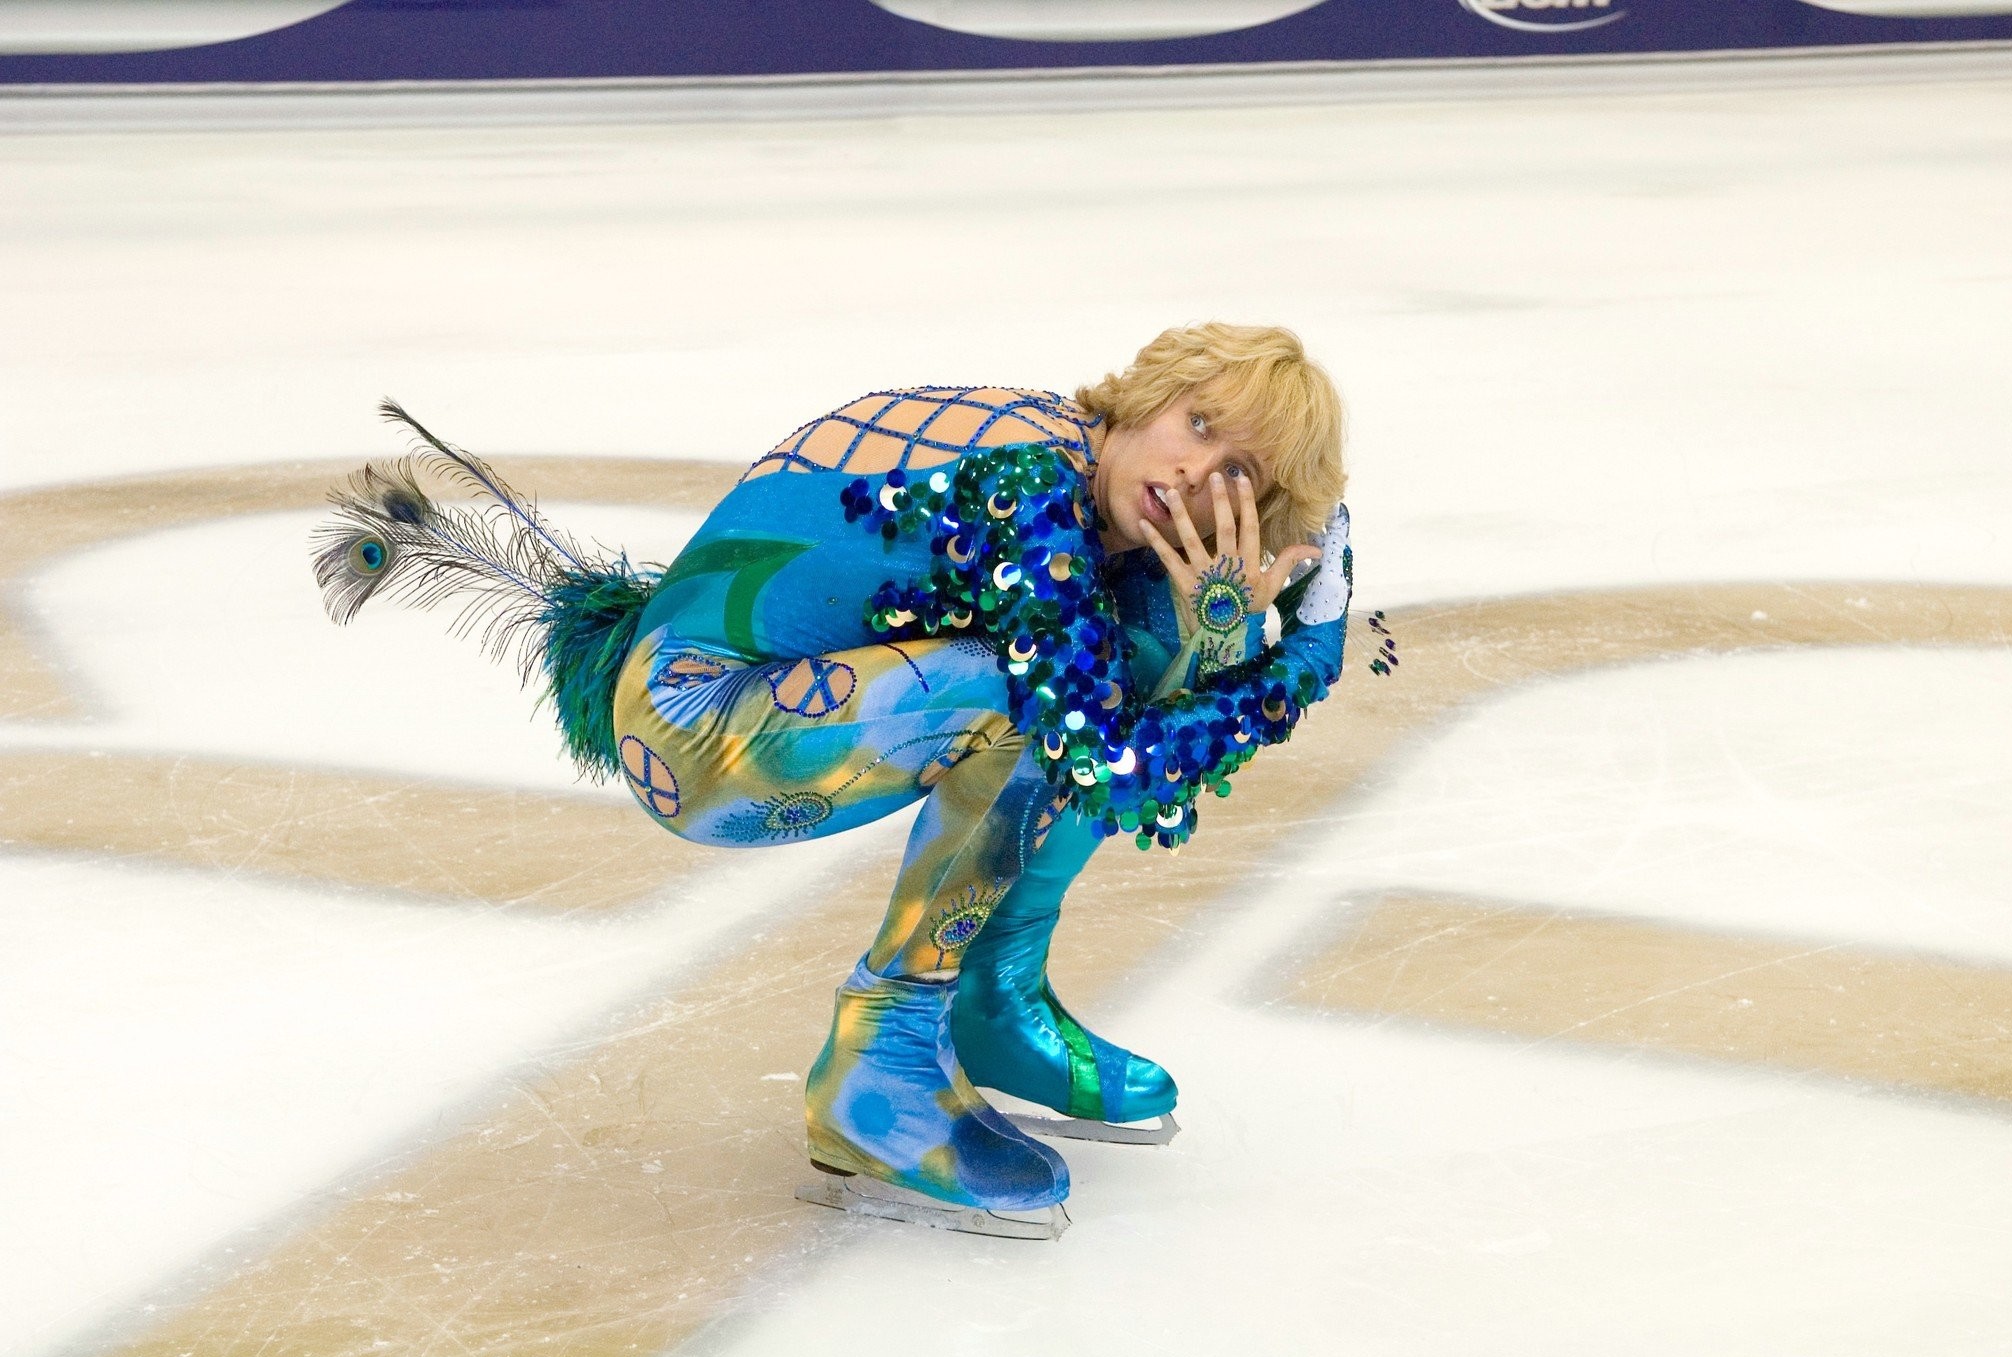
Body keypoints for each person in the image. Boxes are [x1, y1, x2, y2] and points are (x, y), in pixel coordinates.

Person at [312, 323, 1393, 1240]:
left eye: (1240, 472)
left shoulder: (1086, 486)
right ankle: (875, 1074)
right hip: (700, 725)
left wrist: (1222, 628)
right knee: (1027, 705)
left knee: (1132, 636)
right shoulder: (1027, 480)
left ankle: (989, 1001)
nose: (1198, 476)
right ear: (1147, 399)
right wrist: (1298, 658)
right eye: (1198, 424)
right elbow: (1107, 761)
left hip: (796, 697)